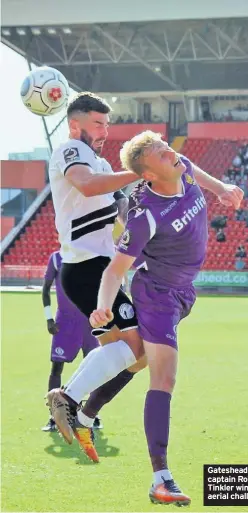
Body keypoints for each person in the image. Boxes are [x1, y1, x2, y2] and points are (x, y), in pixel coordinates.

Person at [48, 131, 243, 506]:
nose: (172, 152)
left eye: (167, 147)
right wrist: (104, 305)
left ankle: (84, 413)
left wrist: (221, 188)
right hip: (157, 296)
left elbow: (194, 169)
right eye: (160, 152)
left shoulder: (180, 168)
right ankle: (161, 478)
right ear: (148, 174)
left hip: (184, 291)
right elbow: (113, 271)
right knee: (163, 376)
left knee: (135, 356)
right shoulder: (144, 217)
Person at [45, 91, 148, 461]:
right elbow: (86, 184)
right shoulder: (70, 152)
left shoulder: (101, 163)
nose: (105, 131)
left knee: (133, 356)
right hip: (88, 268)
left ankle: (82, 413)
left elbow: (122, 208)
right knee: (139, 349)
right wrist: (140, 170)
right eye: (98, 124)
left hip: (100, 269)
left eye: (107, 124)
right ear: (76, 124)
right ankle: (69, 399)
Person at [42, 250, 102, 432]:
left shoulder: (93, 255)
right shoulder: (56, 258)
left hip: (89, 320)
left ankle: (90, 415)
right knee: (56, 367)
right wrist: (49, 318)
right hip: (64, 322)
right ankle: (54, 417)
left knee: (94, 368)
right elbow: (45, 288)